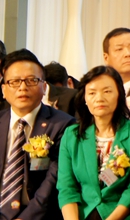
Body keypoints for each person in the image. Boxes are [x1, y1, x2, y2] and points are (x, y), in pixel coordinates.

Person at [57, 66, 130, 220]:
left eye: (107, 91)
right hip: (82, 214)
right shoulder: (71, 135)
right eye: (92, 93)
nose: (99, 98)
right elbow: (67, 187)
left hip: (120, 216)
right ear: (84, 98)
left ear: (119, 94)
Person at [0, 49, 75, 220]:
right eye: (14, 82)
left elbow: (53, 182)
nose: (22, 87)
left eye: (31, 80)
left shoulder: (63, 125)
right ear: (3, 90)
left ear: (44, 87)